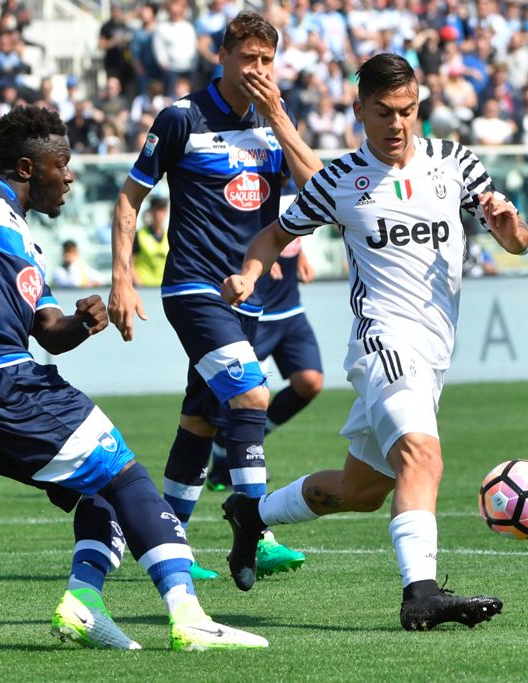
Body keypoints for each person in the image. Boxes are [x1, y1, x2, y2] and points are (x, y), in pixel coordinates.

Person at [0, 105, 267, 652]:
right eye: (63, 165)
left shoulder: (25, 243)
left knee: (100, 488)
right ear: (28, 169)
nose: (71, 177)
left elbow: (49, 331)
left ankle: (84, 605)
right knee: (126, 475)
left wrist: (82, 322)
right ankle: (189, 616)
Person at [220, 54, 528, 629]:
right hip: (383, 345)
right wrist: (249, 275)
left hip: (433, 355)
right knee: (423, 457)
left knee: (361, 491)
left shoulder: (455, 162)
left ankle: (250, 512)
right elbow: (273, 234)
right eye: (384, 112)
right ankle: (422, 593)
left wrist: (507, 222)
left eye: (408, 111)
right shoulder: (340, 181)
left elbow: (516, 241)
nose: (397, 125)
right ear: (360, 110)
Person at [107, 10, 323, 582]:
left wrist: (278, 114)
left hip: (246, 296)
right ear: (221, 57)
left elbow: (319, 191)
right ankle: (252, 530)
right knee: (251, 399)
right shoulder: (182, 118)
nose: (257, 70)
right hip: (192, 286)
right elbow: (129, 199)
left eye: (266, 60)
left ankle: (166, 543)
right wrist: (122, 280)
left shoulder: (274, 119)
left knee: (199, 422)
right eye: (247, 58)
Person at [207, 238, 323, 492]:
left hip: (290, 308)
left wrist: (299, 254)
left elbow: (292, 225)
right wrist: (259, 258)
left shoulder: (294, 195)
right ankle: (224, 462)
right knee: (245, 396)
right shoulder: (257, 196)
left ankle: (234, 444)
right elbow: (243, 223)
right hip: (255, 310)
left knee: (310, 382)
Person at [132, 195, 169, 287]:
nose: (159, 215)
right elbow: (130, 263)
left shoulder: (170, 236)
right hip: (144, 288)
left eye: (162, 210)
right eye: (156, 210)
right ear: (151, 211)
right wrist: (139, 284)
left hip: (163, 288)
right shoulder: (139, 235)